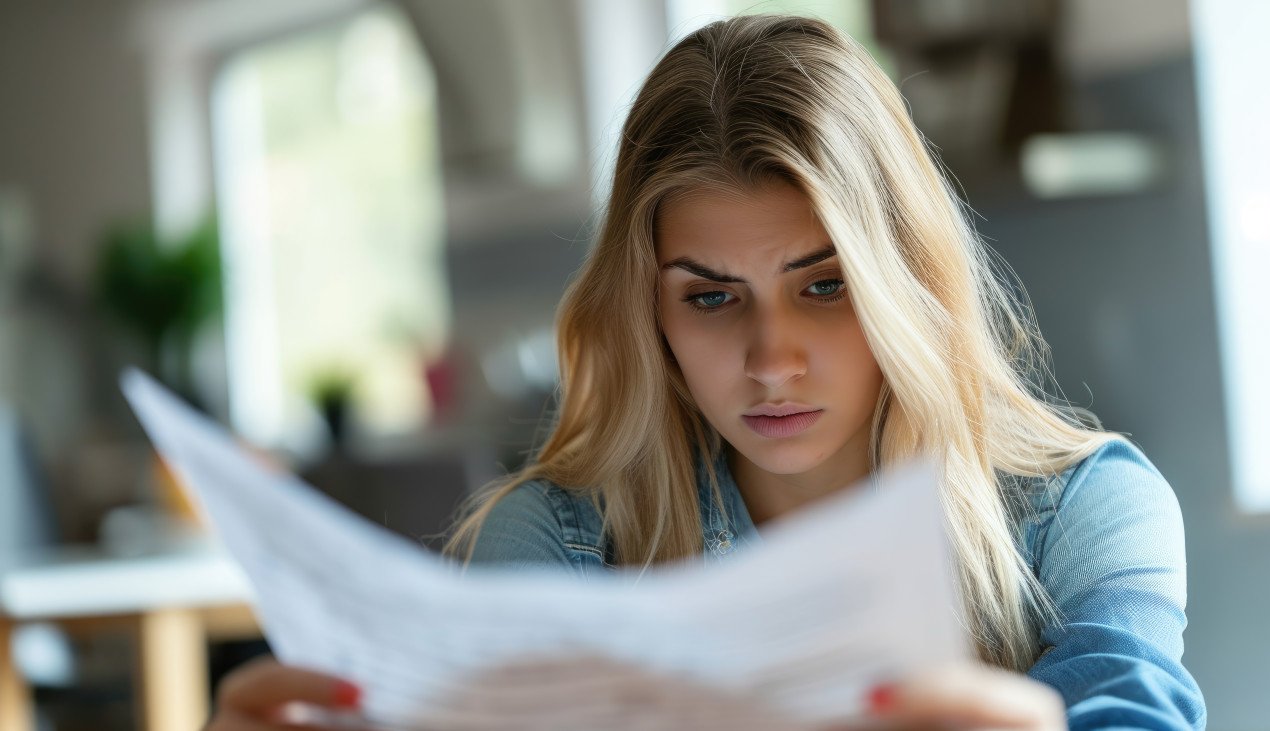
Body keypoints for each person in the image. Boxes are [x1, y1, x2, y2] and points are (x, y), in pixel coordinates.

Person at [205, 14, 1206, 731]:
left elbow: (1130, 710)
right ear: (649, 311)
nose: (771, 359)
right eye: (710, 296)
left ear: (905, 281)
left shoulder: (1085, 506)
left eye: (823, 286)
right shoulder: (562, 537)